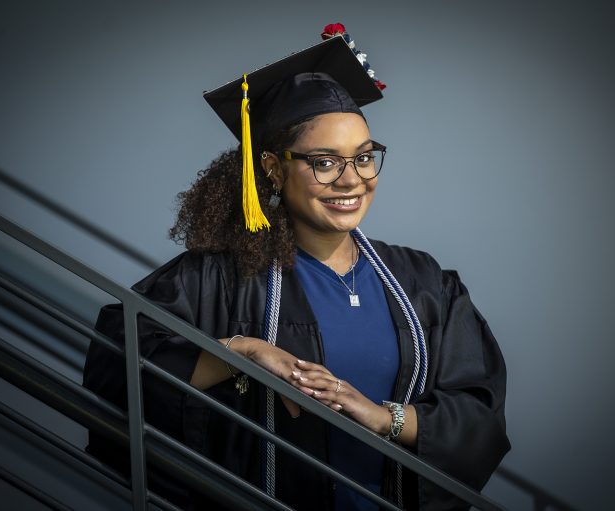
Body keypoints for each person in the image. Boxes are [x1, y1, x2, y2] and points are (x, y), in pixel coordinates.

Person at [83, 24, 510, 511]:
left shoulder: (422, 282)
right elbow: (119, 362)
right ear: (272, 168)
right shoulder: (220, 279)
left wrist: (381, 418)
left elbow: (477, 413)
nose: (351, 180)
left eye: (364, 157)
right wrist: (242, 352)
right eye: (325, 162)